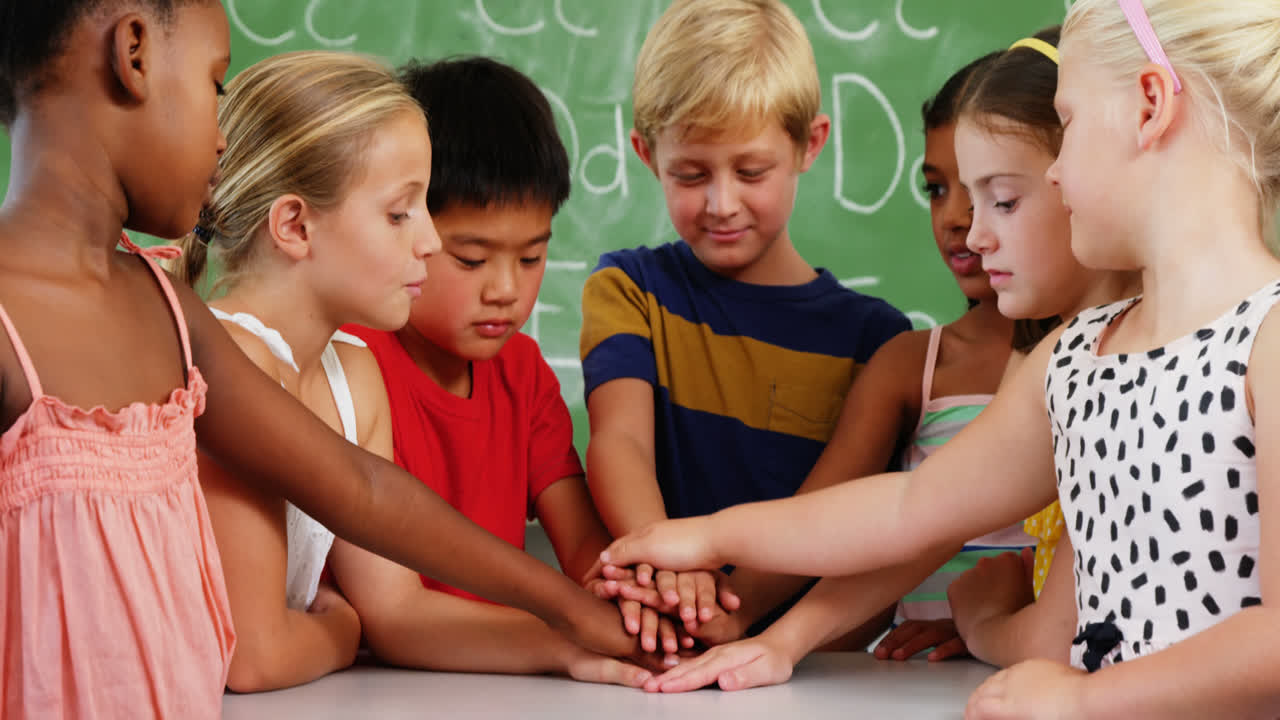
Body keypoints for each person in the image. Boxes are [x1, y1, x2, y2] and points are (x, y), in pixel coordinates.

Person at [600, 2, 1280, 715]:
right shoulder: (1076, 357)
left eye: (1069, 124)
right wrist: (705, 536)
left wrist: (1085, 701)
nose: (1053, 174)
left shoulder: (1266, 338)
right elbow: (911, 507)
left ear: (1149, 106)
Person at [0, 3, 635, 715]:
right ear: (134, 52)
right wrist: (345, 625)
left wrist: (572, 615)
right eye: (215, 87)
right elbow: (259, 647)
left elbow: (362, 491)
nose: (221, 140)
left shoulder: (169, 311)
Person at [580, 0, 910, 653]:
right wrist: (678, 569)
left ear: (809, 145)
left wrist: (732, 605)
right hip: (662, 650)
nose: (721, 203)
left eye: (751, 171)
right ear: (648, 157)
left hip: (822, 673)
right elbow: (621, 446)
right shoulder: (629, 292)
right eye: (691, 174)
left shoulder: (878, 344)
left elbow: (834, 510)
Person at [331, 56, 652, 686]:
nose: (505, 289)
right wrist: (566, 639)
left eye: (532, 256)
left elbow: (586, 551)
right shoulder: (349, 362)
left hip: (505, 684)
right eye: (472, 259)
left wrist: (640, 608)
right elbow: (392, 619)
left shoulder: (525, 374)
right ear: (406, 224)